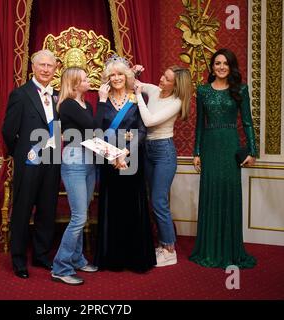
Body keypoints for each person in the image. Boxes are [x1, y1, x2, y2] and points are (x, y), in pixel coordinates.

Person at [190, 48, 257, 268]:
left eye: (225, 63)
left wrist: (252, 151)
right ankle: (209, 249)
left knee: (229, 194)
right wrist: (197, 152)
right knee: (210, 194)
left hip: (230, 145)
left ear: (231, 67)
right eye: (217, 63)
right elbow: (200, 125)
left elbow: (247, 122)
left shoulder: (241, 89)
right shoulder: (202, 91)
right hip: (209, 146)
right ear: (212, 66)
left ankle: (230, 249)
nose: (221, 67)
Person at [94, 55, 156, 273]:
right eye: (113, 74)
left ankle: (135, 257)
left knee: (132, 205)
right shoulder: (102, 99)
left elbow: (142, 130)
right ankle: (113, 258)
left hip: (132, 159)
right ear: (107, 78)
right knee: (113, 206)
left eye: (120, 74)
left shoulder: (135, 99)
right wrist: (113, 155)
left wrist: (126, 152)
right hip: (109, 161)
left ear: (127, 76)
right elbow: (97, 132)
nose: (117, 78)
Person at [2, 49, 60, 279]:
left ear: (55, 69)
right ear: (33, 67)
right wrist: (22, 154)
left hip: (52, 161)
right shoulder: (21, 94)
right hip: (29, 162)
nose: (46, 69)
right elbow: (8, 131)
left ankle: (41, 255)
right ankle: (18, 260)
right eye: (41, 65)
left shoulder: (59, 95)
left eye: (50, 66)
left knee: (47, 210)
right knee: (22, 210)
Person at [133, 66, 192, 267]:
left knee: (159, 201)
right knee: (153, 199)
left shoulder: (176, 102)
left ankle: (170, 250)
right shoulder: (155, 90)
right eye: (162, 75)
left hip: (164, 152)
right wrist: (134, 72)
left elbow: (149, 121)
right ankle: (162, 244)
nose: (160, 79)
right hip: (148, 149)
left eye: (166, 79)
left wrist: (138, 95)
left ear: (176, 85)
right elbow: (137, 84)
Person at [51, 67, 98, 286]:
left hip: (89, 160)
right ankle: (60, 267)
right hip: (74, 159)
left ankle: (77, 258)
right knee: (79, 217)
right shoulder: (68, 104)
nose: (90, 81)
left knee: (83, 214)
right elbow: (92, 127)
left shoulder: (87, 104)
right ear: (75, 83)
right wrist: (105, 100)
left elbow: (92, 134)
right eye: (86, 78)